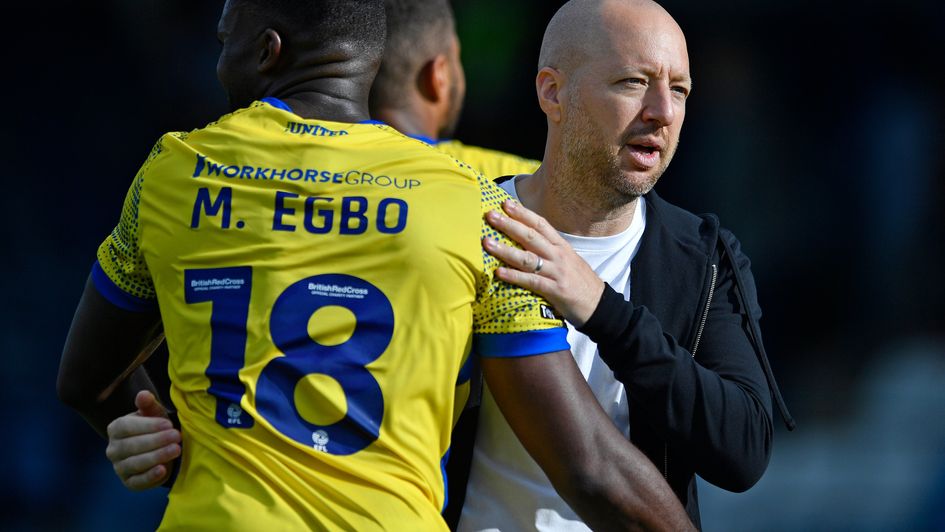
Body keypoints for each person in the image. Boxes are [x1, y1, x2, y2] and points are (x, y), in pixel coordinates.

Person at [57, 0, 694, 530]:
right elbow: (590, 467)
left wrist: (159, 436)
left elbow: (87, 378)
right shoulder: (470, 199)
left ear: (267, 51)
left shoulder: (174, 173)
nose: (218, 49)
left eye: (227, 35)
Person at [458, 0, 796, 530]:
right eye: (634, 82)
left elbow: (743, 452)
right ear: (552, 92)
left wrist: (601, 310)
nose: (662, 111)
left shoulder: (703, 257)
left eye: (679, 90)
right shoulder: (469, 223)